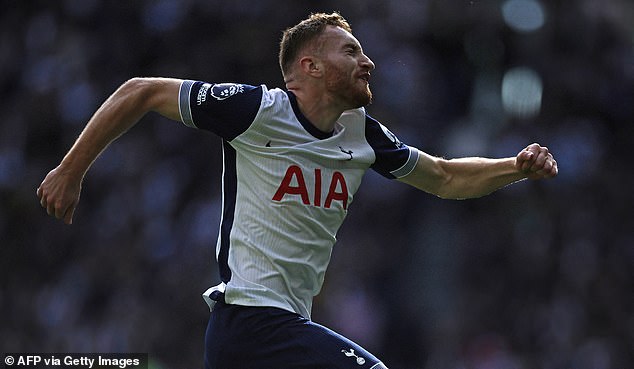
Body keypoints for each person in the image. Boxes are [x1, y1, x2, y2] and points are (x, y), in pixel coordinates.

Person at [37, 11, 558, 369]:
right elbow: (142, 91)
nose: (367, 62)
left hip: (270, 335)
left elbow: (444, 177)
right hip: (252, 323)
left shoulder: (362, 132)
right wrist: (69, 169)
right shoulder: (259, 110)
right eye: (350, 51)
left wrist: (514, 166)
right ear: (308, 67)